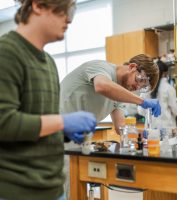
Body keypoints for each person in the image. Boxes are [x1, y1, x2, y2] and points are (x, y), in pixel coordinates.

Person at [0, 1, 97, 200]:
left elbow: (38, 121)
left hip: (52, 187)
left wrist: (62, 131)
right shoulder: (6, 53)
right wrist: (63, 122)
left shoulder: (49, 62)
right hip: (17, 191)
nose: (69, 20)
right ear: (38, 5)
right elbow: (4, 122)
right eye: (65, 11)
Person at [60, 54, 161, 133]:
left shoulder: (119, 94)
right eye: (139, 80)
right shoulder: (102, 67)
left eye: (142, 87)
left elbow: (121, 128)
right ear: (132, 67)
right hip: (56, 125)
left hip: (76, 133)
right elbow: (101, 86)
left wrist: (145, 133)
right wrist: (142, 102)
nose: (137, 87)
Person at [138, 60, 177, 129]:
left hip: (150, 129)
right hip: (167, 129)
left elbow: (141, 111)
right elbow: (176, 111)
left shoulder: (146, 88)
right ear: (165, 73)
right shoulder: (168, 88)